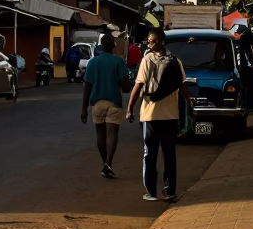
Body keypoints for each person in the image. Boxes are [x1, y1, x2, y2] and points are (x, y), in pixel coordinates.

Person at [127, 28, 192, 203]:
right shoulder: (175, 61)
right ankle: (169, 190)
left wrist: (129, 108)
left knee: (150, 154)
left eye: (152, 41)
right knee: (169, 154)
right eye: (148, 41)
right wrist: (190, 105)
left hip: (150, 116)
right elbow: (184, 86)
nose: (149, 44)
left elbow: (138, 85)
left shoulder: (147, 59)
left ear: (161, 41)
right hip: (171, 116)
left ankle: (151, 192)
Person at [80, 34, 130, 179]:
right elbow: (126, 87)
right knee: (112, 135)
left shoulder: (93, 62)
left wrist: (84, 110)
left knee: (100, 135)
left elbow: (87, 87)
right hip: (113, 102)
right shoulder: (118, 62)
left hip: (96, 103)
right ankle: (108, 164)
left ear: (101, 46)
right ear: (113, 46)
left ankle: (105, 164)